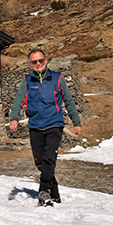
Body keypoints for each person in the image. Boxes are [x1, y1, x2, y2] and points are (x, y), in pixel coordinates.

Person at [9, 49, 83, 206]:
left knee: (50, 157)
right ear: (29, 64)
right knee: (41, 163)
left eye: (40, 60)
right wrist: (14, 119)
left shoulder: (57, 78)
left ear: (46, 60)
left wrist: (76, 122)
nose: (38, 64)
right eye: (34, 62)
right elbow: (18, 100)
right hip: (35, 125)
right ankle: (54, 193)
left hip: (54, 124)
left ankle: (43, 191)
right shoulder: (27, 81)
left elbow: (69, 100)